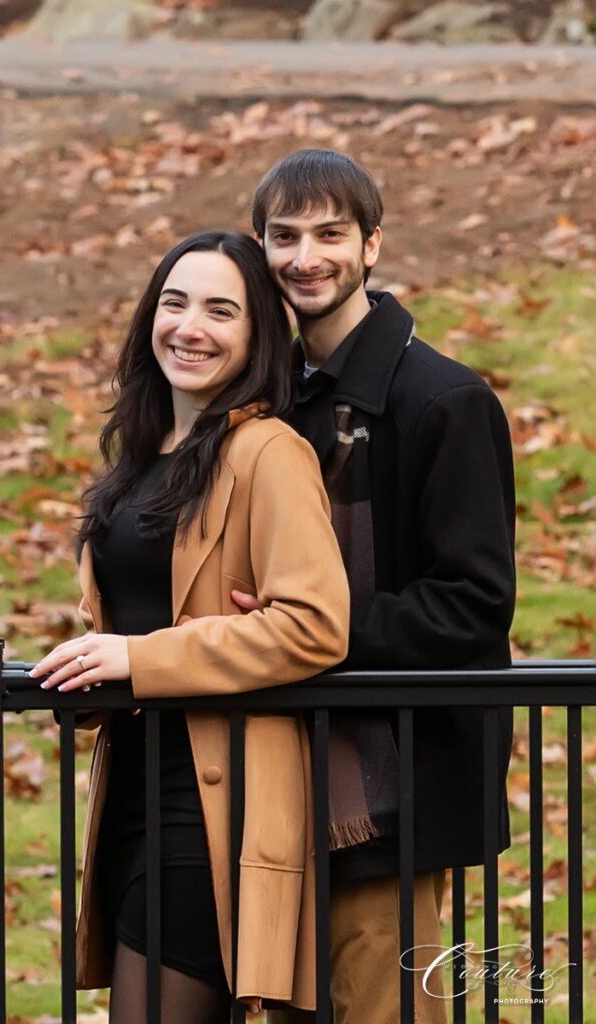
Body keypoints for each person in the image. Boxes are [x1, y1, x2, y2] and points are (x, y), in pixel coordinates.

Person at [29, 230, 350, 1023]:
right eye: (173, 303)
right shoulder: (141, 458)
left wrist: (139, 658)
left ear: (255, 337)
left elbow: (314, 625)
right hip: (135, 791)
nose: (189, 326)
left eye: (219, 310)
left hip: (214, 801)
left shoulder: (267, 451)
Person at [231, 149, 516, 1024]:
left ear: (372, 246)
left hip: (390, 779)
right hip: (274, 765)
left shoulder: (443, 401)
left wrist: (307, 630)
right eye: (283, 237)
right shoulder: (266, 400)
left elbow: (473, 601)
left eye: (330, 234)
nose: (305, 257)